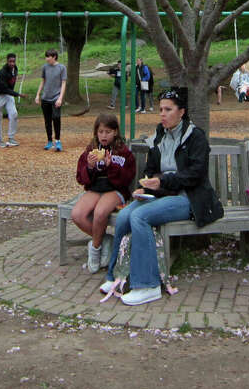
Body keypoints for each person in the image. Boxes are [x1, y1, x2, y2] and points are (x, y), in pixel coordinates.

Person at [99, 88, 223, 305]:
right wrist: (145, 187)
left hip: (189, 199)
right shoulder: (159, 135)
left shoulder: (195, 137)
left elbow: (195, 175)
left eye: (168, 109)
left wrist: (162, 182)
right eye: (160, 110)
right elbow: (151, 168)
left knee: (140, 217)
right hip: (162, 196)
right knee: (125, 216)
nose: (162, 114)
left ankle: (148, 285)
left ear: (181, 112)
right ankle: (115, 276)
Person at [72, 113, 136, 273]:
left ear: (115, 132)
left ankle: (94, 249)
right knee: (77, 214)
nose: (104, 135)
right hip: (96, 188)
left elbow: (127, 178)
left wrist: (110, 166)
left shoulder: (123, 152)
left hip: (115, 190)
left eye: (107, 132)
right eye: (101, 132)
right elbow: (81, 178)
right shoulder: (90, 150)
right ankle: (104, 239)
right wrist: (90, 167)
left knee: (100, 212)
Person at [35, 49, 67, 150]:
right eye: (46, 56)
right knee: (47, 121)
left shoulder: (62, 68)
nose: (46, 59)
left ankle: (57, 141)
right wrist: (38, 95)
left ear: (54, 57)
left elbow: (63, 83)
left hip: (56, 98)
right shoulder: (45, 67)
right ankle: (49, 141)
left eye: (48, 57)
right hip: (45, 98)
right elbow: (42, 81)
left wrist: (60, 98)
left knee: (56, 118)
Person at [0, 52, 21, 147]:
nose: (12, 63)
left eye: (13, 61)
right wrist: (17, 94)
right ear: (7, 61)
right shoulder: (1, 73)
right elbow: (4, 88)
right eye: (10, 61)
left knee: (14, 114)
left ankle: (11, 138)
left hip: (8, 95)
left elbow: (11, 85)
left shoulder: (15, 69)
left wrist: (13, 93)